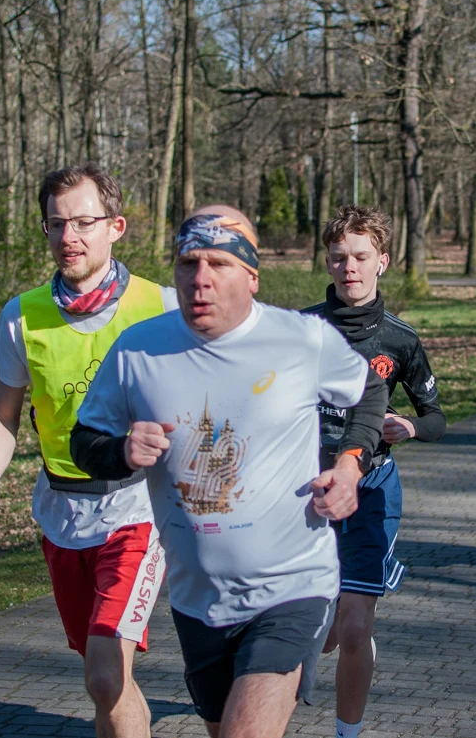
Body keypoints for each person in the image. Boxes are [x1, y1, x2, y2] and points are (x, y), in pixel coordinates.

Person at [69, 205, 389, 738]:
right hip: (199, 600)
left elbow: (369, 392)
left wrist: (350, 465)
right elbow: (84, 442)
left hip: (292, 585)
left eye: (218, 263)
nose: (200, 279)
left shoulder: (300, 339)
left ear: (252, 277)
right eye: (188, 263)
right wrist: (123, 450)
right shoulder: (138, 349)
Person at [0, 164, 178, 738]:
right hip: (62, 513)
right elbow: (5, 415)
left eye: (83, 222)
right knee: (105, 677)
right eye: (56, 225)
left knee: (106, 674)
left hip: (137, 510)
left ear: (116, 226)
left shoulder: (162, 306)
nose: (69, 238)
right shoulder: (22, 315)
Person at [301, 204, 446, 738]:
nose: (350, 268)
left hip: (372, 492)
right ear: (328, 261)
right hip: (306, 491)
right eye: (339, 258)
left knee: (356, 624)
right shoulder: (302, 329)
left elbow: (437, 418)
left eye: (361, 256)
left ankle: (347, 733)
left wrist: (409, 427)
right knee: (315, 626)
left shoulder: (400, 340)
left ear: (382, 260)